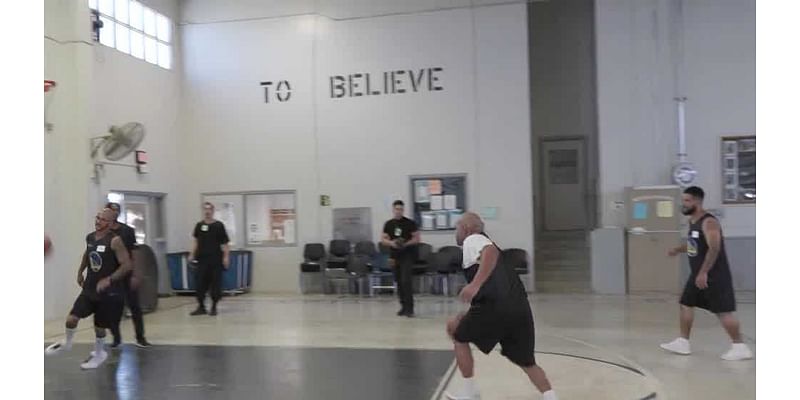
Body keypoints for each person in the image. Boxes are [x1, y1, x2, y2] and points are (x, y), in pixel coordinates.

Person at [445, 213, 558, 400]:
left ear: (466, 228)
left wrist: (474, 285)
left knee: (456, 332)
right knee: (527, 362)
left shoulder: (473, 240)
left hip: (495, 307)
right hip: (520, 308)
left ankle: (470, 391)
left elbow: (490, 252)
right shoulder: (487, 244)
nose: (456, 232)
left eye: (457, 227)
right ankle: (550, 396)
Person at [660, 186, 753, 361]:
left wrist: (704, 272)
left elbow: (714, 247)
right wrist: (677, 249)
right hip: (697, 274)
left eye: (687, 201)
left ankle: (740, 346)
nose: (684, 204)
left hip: (713, 275)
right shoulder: (693, 221)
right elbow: (694, 244)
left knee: (723, 311)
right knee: (686, 303)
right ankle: (683, 342)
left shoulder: (709, 222)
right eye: (683, 200)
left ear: (697, 201)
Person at [45, 208, 133, 369]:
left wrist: (110, 279)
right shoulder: (90, 237)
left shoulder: (115, 241)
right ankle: (68, 343)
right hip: (89, 288)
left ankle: (99, 353)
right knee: (71, 319)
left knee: (99, 328)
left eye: (103, 219)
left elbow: (127, 265)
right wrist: (80, 271)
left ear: (111, 223)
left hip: (107, 293)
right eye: (97, 218)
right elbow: (88, 254)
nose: (98, 221)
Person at [105, 202, 151, 348]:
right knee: (113, 308)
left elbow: (135, 253)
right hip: (112, 275)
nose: (114, 213)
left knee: (134, 306)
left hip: (127, 273)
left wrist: (136, 274)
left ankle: (140, 337)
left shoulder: (127, 231)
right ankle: (116, 338)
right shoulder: (102, 232)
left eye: (116, 211)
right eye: (111, 210)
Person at [380, 200, 420, 317]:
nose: (399, 211)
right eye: (397, 209)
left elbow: (417, 238)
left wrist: (406, 243)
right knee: (399, 281)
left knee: (406, 281)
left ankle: (410, 308)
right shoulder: (389, 224)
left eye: (401, 209)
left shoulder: (410, 223)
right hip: (394, 256)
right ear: (393, 210)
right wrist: (392, 243)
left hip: (407, 255)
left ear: (403, 210)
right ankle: (403, 306)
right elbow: (383, 239)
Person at [190, 202, 230, 316]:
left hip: (215, 259)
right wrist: (192, 254)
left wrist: (226, 257)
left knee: (215, 283)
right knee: (200, 283)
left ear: (213, 211)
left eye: (209, 209)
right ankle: (201, 306)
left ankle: (214, 306)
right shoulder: (199, 225)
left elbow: (225, 243)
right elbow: (196, 241)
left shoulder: (218, 225)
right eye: (205, 209)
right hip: (202, 260)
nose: (207, 212)